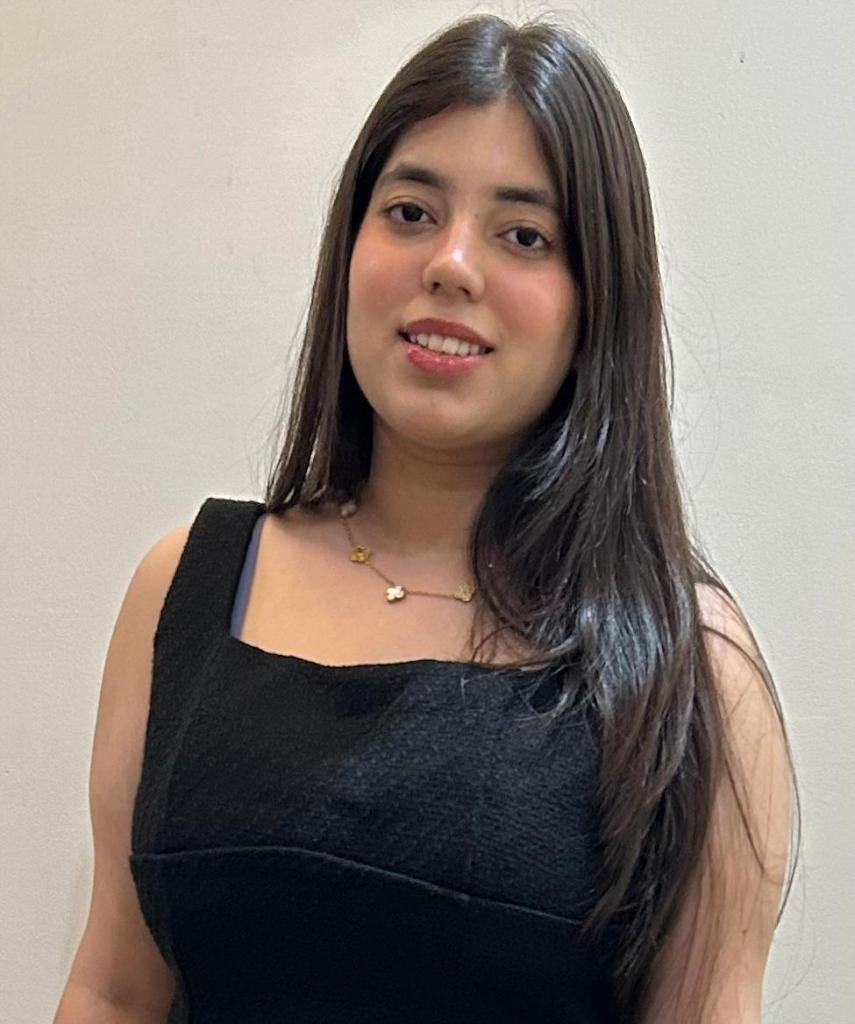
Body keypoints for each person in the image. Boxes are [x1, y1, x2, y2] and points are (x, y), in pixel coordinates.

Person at [54, 13, 799, 1024]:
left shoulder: (689, 665)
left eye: (523, 235)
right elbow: (114, 988)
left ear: (597, 299)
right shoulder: (184, 587)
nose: (450, 263)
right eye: (410, 212)